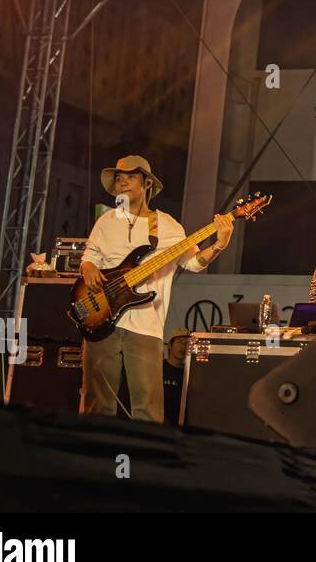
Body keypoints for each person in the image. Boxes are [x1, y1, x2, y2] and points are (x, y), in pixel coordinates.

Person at [79, 155, 233, 422]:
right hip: (101, 319)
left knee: (148, 409)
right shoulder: (106, 221)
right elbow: (89, 258)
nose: (122, 181)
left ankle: (145, 461)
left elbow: (194, 263)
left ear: (147, 183)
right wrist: (88, 268)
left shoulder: (168, 226)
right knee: (97, 403)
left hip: (146, 326)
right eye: (118, 177)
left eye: (130, 176)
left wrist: (219, 244)